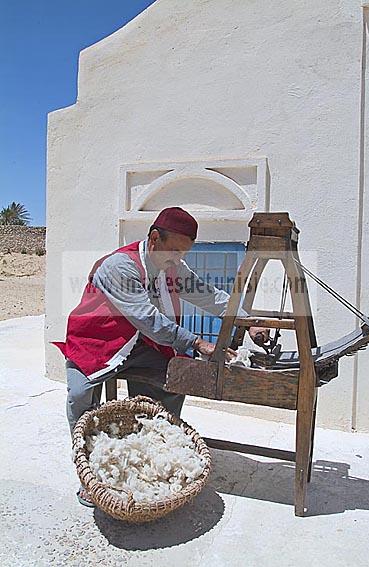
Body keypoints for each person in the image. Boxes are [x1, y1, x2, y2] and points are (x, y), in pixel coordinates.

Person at [53, 207, 269, 506]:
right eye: (175, 250)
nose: (179, 259)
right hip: (97, 342)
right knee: (81, 397)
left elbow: (210, 295)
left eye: (184, 253)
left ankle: (153, 450)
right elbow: (148, 319)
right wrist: (197, 343)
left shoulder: (172, 268)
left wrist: (248, 321)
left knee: (174, 377)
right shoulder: (120, 266)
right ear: (154, 238)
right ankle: (90, 472)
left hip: (140, 345)